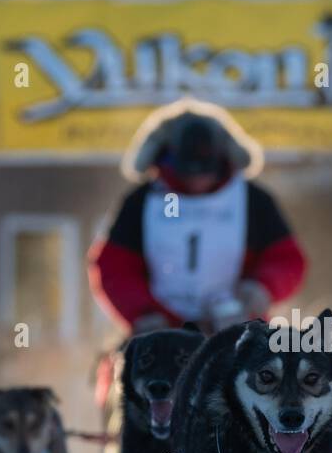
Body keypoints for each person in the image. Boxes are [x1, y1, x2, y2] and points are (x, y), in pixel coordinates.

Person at [87, 100, 306, 333]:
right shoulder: (141, 201)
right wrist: (142, 311)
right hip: (162, 330)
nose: (197, 182)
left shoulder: (253, 200)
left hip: (238, 326)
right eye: (188, 174)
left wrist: (260, 290)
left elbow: (287, 259)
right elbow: (113, 267)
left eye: (205, 173)